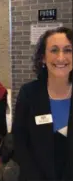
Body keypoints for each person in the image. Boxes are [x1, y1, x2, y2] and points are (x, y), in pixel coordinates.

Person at [12, 27, 72, 181]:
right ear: (43, 58)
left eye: (68, 50)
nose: (61, 57)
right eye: (54, 50)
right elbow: (19, 141)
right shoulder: (29, 93)